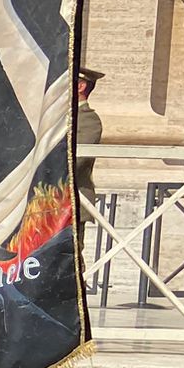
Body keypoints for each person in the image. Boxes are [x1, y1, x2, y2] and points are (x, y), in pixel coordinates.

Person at [72, 65, 103, 268]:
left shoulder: (89, 120)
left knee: (71, 258)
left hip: (73, 200)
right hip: (49, 200)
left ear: (81, 86)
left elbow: (78, 160)